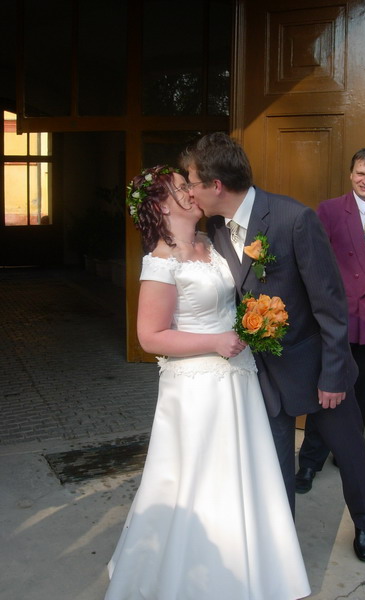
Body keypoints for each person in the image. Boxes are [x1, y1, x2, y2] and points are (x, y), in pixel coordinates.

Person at [105, 165, 311, 599]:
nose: (191, 192)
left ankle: (254, 571)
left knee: (244, 474)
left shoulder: (211, 242)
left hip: (238, 378)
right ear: (162, 206)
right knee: (200, 478)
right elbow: (150, 337)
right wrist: (215, 341)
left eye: (189, 184)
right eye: (181, 188)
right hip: (196, 387)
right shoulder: (161, 260)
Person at [180, 133, 365, 562]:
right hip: (262, 373)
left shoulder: (294, 219)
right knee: (275, 466)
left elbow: (330, 304)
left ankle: (364, 520)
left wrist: (333, 375)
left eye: (193, 182)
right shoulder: (214, 229)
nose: (190, 191)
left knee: (349, 449)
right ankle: (284, 553)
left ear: (216, 185)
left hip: (316, 365)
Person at [297, 148, 365, 493]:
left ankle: (346, 454)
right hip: (338, 317)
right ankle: (310, 461)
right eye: (361, 173)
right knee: (327, 390)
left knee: (362, 393)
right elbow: (318, 263)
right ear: (351, 174)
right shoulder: (330, 210)